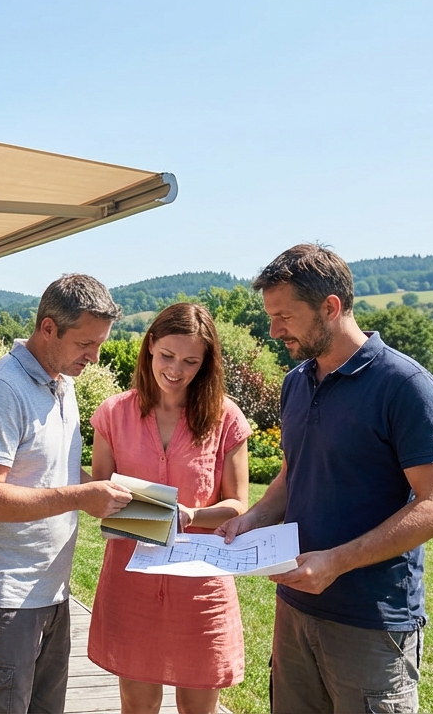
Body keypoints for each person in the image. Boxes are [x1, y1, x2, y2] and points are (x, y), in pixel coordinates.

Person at [218, 244, 433, 714]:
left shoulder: (405, 386)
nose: (273, 331)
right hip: (295, 607)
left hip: (370, 621)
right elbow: (294, 472)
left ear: (330, 307)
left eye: (284, 316)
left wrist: (336, 562)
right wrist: (255, 517)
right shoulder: (297, 381)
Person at [0, 273, 134, 714]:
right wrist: (79, 496)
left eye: (100, 344)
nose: (94, 356)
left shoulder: (61, 384)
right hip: (1, 601)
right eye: (85, 344)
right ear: (48, 327)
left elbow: (54, 474)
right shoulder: (0, 389)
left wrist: (113, 493)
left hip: (49, 594)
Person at [86, 302, 251, 714]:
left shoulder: (225, 417)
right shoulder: (113, 413)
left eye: (191, 361)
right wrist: (116, 503)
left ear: (206, 363)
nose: (176, 370)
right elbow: (96, 492)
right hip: (132, 587)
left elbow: (237, 505)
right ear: (150, 346)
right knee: (137, 707)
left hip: (200, 590)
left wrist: (193, 516)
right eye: (167, 356)